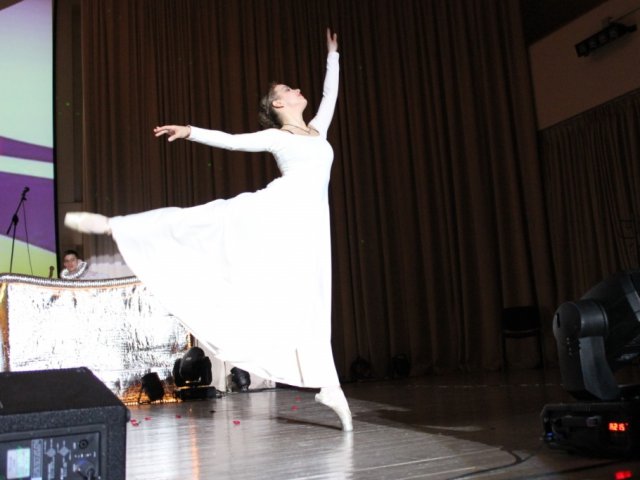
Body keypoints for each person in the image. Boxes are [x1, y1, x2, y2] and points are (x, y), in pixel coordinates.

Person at [65, 28, 352, 431]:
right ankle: (117, 226)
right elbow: (232, 142)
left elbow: (330, 95)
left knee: (313, 298)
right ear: (278, 103)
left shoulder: (317, 130)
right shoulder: (277, 137)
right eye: (289, 89)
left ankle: (328, 384)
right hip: (277, 210)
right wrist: (190, 131)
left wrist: (332, 56)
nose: (297, 89)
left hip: (308, 225)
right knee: (203, 220)